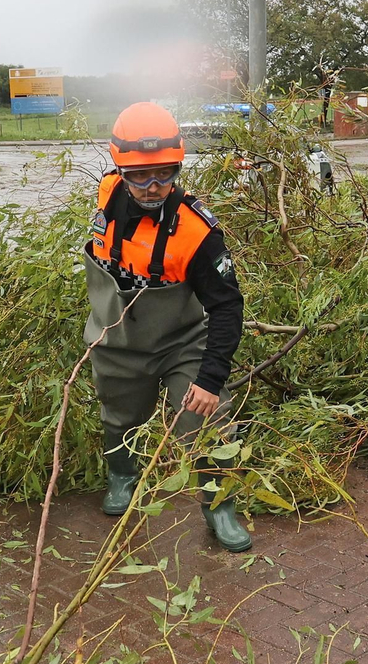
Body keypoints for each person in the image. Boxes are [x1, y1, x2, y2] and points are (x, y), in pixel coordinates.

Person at [83, 101, 252, 552]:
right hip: (116, 340)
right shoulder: (105, 195)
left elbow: (228, 307)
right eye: (139, 175)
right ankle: (122, 477)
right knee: (120, 418)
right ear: (118, 169)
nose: (153, 186)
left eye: (165, 173)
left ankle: (220, 506)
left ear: (178, 166)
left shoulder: (198, 232)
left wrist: (211, 377)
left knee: (210, 421)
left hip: (182, 342)